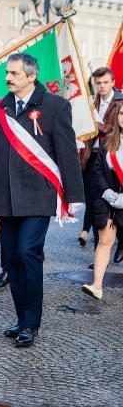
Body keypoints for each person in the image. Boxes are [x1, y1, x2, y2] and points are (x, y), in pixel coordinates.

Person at [0, 53, 84, 347]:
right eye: (7, 73)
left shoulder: (55, 106)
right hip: (8, 197)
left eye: (14, 73)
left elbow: (66, 153)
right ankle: (21, 318)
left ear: (31, 76)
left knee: (27, 252)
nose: (8, 78)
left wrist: (74, 195)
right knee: (11, 260)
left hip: (39, 194)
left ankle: (31, 323)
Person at [78, 67, 123, 268]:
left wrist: (96, 119)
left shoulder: (119, 103)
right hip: (92, 158)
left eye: (105, 82)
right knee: (96, 206)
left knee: (117, 207)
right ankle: (99, 255)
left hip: (115, 161)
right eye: (98, 83)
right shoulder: (92, 101)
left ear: (112, 82)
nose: (102, 86)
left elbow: (115, 130)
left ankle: (120, 240)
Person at [82, 105, 123, 300]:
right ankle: (97, 285)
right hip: (109, 197)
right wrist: (106, 191)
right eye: (122, 113)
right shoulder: (109, 140)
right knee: (105, 240)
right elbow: (97, 169)